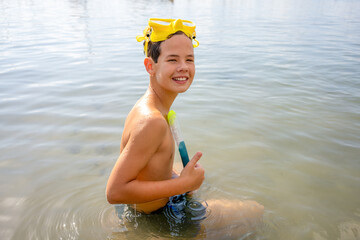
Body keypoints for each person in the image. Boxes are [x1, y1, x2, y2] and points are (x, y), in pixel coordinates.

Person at [106, 18, 264, 238]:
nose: (183, 67)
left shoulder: (151, 108)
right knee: (255, 212)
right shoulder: (152, 121)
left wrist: (177, 179)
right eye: (172, 59)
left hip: (156, 206)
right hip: (157, 218)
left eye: (189, 59)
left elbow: (147, 167)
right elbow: (114, 192)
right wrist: (181, 184)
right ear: (150, 66)